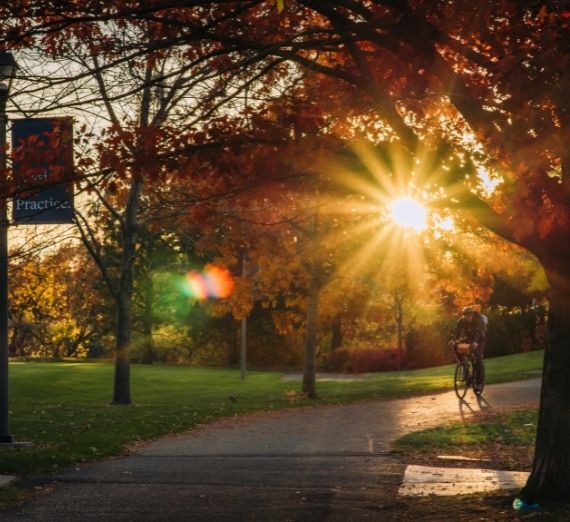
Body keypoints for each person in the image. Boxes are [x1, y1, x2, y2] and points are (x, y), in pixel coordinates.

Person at [451, 306, 487, 379]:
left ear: (472, 314)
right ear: (464, 316)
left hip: (479, 340)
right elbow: (457, 330)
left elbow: (478, 331)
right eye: (466, 316)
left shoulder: (478, 319)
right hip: (469, 339)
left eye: (470, 315)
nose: (468, 317)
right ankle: (464, 365)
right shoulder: (462, 320)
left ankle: (479, 379)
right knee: (455, 345)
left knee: (477, 359)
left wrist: (476, 342)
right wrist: (454, 339)